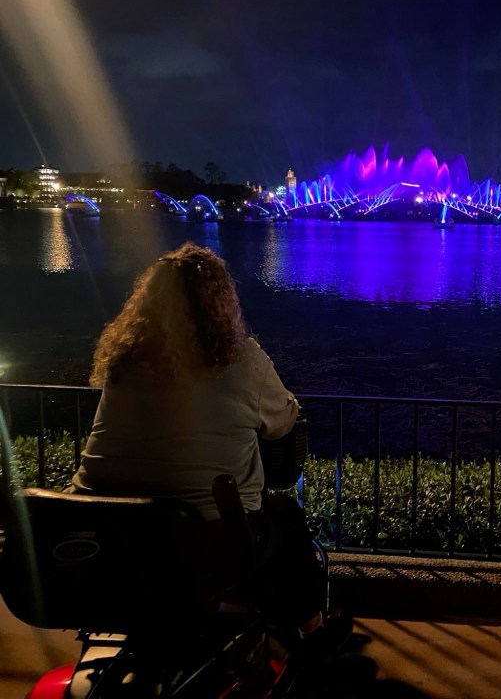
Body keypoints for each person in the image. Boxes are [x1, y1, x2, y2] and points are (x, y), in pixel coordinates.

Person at [70, 241, 349, 656]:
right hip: (202, 538)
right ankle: (312, 632)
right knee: (285, 516)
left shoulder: (124, 362)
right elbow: (283, 421)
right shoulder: (242, 360)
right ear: (222, 302)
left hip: (102, 524)